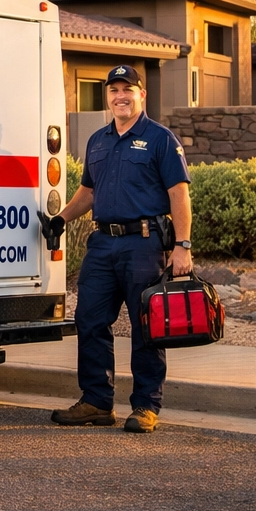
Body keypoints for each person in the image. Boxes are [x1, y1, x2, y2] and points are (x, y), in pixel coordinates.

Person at [50, 64, 193, 434]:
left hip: (143, 245)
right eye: (114, 90)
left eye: (127, 89)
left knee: (147, 326)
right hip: (102, 245)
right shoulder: (97, 140)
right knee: (90, 321)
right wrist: (61, 219)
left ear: (141, 95)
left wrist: (182, 246)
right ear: (108, 97)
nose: (120, 96)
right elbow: (89, 192)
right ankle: (97, 401)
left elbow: (179, 193)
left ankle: (145, 406)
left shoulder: (161, 139)